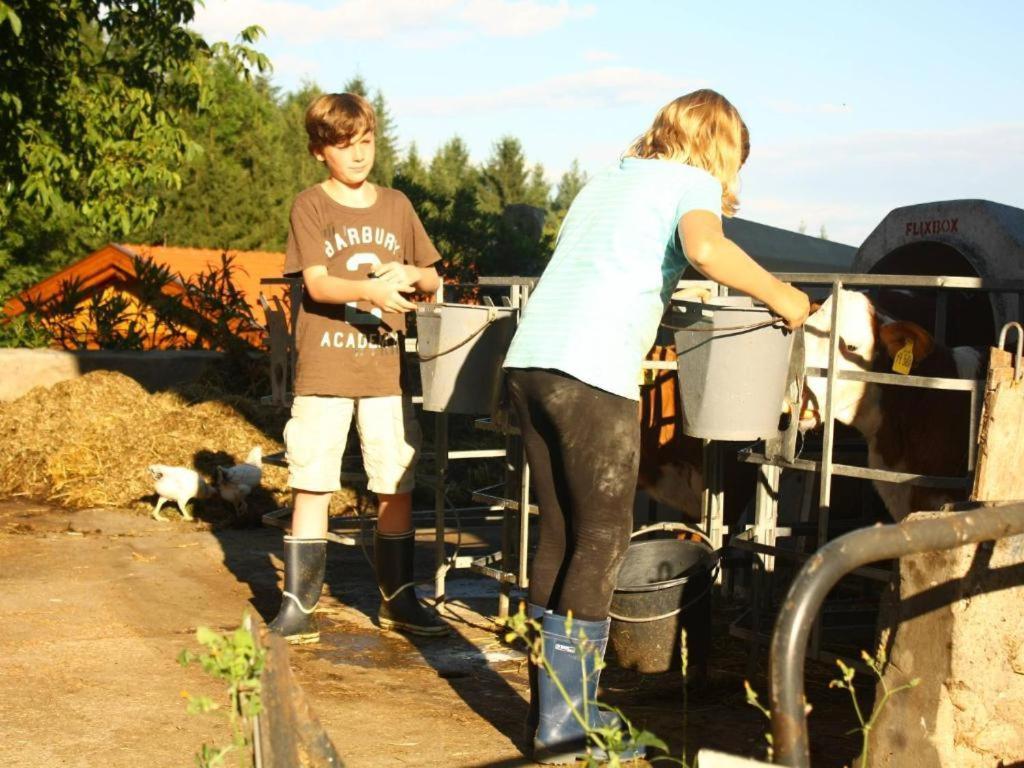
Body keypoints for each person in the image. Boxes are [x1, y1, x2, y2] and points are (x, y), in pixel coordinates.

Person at [502, 89, 811, 762]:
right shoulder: (691, 180)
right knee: (605, 537)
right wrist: (782, 295)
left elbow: (606, 267)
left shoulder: (606, 181)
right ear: (720, 147)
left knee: (559, 534)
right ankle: (567, 728)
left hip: (529, 362)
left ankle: (552, 715)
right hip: (590, 369)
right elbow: (705, 249)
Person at [267, 92, 448, 643]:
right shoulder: (310, 205)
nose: (358, 154)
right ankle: (299, 605)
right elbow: (318, 284)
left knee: (395, 480)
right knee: (312, 480)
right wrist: (370, 288)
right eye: (344, 145)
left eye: (365, 142)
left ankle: (398, 600)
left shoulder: (396, 205)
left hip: (385, 375)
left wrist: (410, 274)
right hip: (325, 370)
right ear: (320, 150)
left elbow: (433, 281)